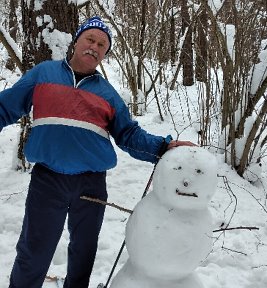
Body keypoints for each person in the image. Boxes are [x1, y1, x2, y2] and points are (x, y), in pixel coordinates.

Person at [0, 16, 196, 288]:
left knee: (83, 254)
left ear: (105, 53)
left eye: (102, 44)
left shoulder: (107, 94)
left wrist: (162, 147)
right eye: (90, 39)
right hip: (48, 179)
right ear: (77, 41)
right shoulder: (43, 74)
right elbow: (6, 106)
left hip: (91, 183)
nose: (95, 46)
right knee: (34, 250)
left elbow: (128, 134)